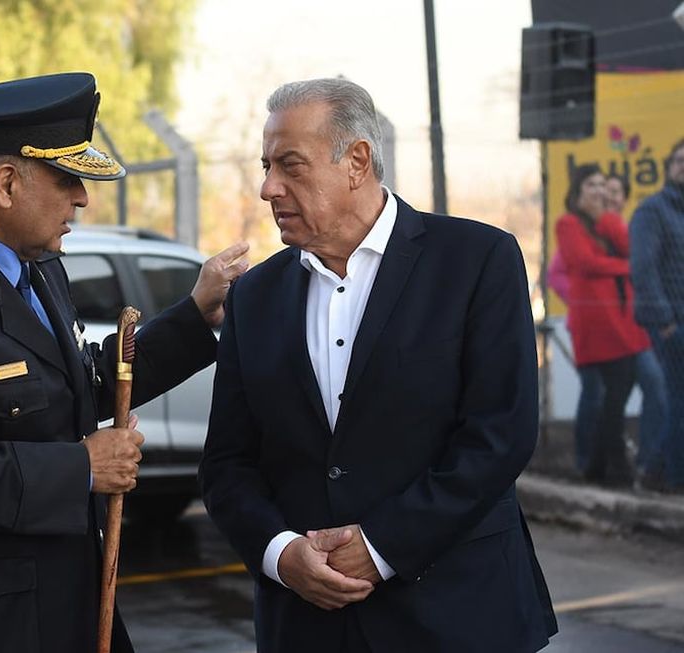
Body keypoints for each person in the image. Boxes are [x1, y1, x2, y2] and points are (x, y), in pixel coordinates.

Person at [0, 72, 249, 653]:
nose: (82, 198)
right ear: (6, 183)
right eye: (67, 180)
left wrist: (195, 315)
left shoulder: (38, 266)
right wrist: (81, 467)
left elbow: (75, 384)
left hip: (60, 601)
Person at [199, 77, 556, 652]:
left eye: (290, 165)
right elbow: (227, 464)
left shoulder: (477, 261)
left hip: (457, 617)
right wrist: (281, 553)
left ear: (357, 161)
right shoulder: (255, 296)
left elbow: (499, 435)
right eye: (265, 165)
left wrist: (383, 546)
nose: (269, 187)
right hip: (308, 624)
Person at [556, 164, 649, 486]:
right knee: (607, 398)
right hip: (597, 325)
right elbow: (584, 263)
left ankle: (596, 467)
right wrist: (626, 267)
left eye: (601, 185)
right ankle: (615, 469)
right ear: (578, 192)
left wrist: (606, 218)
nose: (598, 191)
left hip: (621, 323)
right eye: (591, 185)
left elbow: (631, 247)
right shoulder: (568, 223)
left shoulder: (607, 223)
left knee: (615, 398)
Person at [605, 173, 668, 489]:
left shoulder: (630, 225)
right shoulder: (597, 229)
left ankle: (646, 461)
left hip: (639, 330)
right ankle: (631, 466)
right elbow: (563, 271)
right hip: (616, 333)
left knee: (655, 391)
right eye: (606, 192)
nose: (611, 198)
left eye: (616, 192)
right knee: (612, 400)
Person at [630, 138, 684, 494]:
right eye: (679, 160)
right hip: (672, 324)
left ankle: (661, 471)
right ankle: (662, 473)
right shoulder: (654, 210)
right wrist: (664, 321)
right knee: (677, 400)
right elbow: (643, 268)